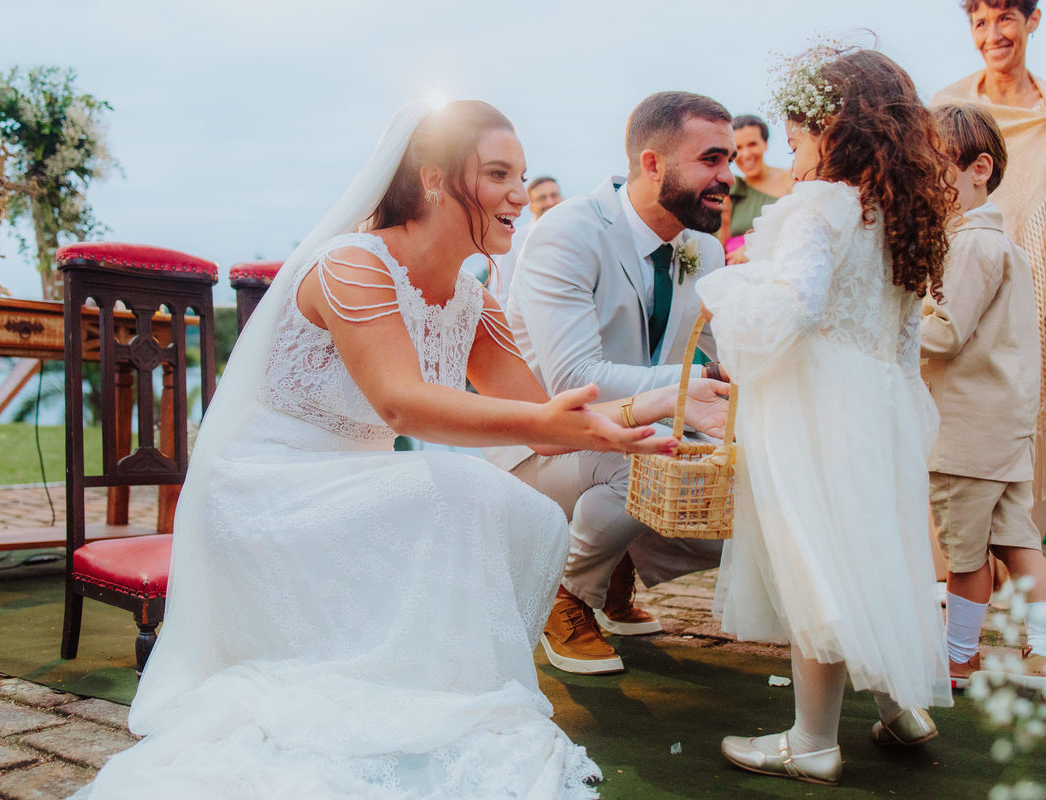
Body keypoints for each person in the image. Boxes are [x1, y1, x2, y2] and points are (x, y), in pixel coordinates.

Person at [73, 101, 732, 800]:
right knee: (457, 490)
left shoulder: (476, 301)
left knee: (520, 509)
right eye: (499, 174)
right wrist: (562, 422)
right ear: (436, 180)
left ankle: (428, 693)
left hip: (354, 483)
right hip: (266, 490)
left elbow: (541, 417)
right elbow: (401, 402)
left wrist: (662, 403)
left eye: (524, 176)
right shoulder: (353, 265)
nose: (519, 195)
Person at [700, 48, 953, 786]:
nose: (793, 149)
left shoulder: (819, 205)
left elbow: (795, 307)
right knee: (873, 551)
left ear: (836, 128)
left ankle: (812, 740)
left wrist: (727, 289)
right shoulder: (900, 217)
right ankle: (902, 706)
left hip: (812, 403)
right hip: (880, 400)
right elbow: (905, 341)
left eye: (801, 131)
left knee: (815, 557)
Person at [490, 91, 734, 675]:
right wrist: (695, 381)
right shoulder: (567, 232)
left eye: (729, 160)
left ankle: (614, 564)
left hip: (632, 431)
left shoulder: (703, 247)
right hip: (541, 446)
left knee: (744, 486)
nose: (729, 176)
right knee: (649, 458)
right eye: (711, 160)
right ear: (653, 164)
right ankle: (566, 593)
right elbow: (575, 378)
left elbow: (726, 353)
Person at [924, 103, 1046, 697]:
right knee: (1020, 545)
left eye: (934, 170)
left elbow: (946, 333)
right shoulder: (1001, 245)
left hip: (966, 431)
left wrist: (899, 318)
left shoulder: (971, 246)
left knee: (966, 556)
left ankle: (959, 657)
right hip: (1004, 426)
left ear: (978, 169)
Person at [932, 0, 1046, 536]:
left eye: (1005, 17)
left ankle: (1022, 565)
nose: (992, 34)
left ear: (1032, 21)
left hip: (1040, 278)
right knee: (960, 399)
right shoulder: (950, 101)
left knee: (1034, 408)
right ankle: (959, 564)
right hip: (965, 272)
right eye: (979, 22)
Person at [722, 114, 792, 264]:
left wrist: (755, 248)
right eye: (738, 148)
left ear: (765, 144)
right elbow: (718, 250)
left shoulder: (791, 178)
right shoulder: (730, 189)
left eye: (752, 144)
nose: (746, 154)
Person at [490, 175, 562, 306]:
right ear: (531, 206)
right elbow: (500, 294)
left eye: (554, 195)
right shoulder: (515, 241)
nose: (550, 202)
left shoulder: (576, 234)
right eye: (542, 198)